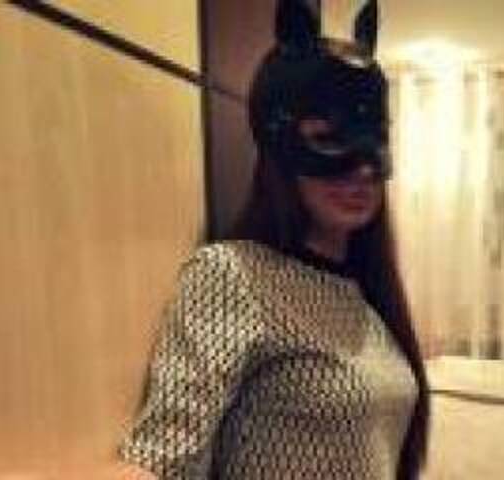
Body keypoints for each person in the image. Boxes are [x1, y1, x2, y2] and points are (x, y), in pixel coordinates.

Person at [116, 0, 430, 478]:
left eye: (376, 143)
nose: (363, 169)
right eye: (328, 138)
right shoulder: (233, 275)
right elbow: (165, 458)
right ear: (279, 147)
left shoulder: (366, 296)